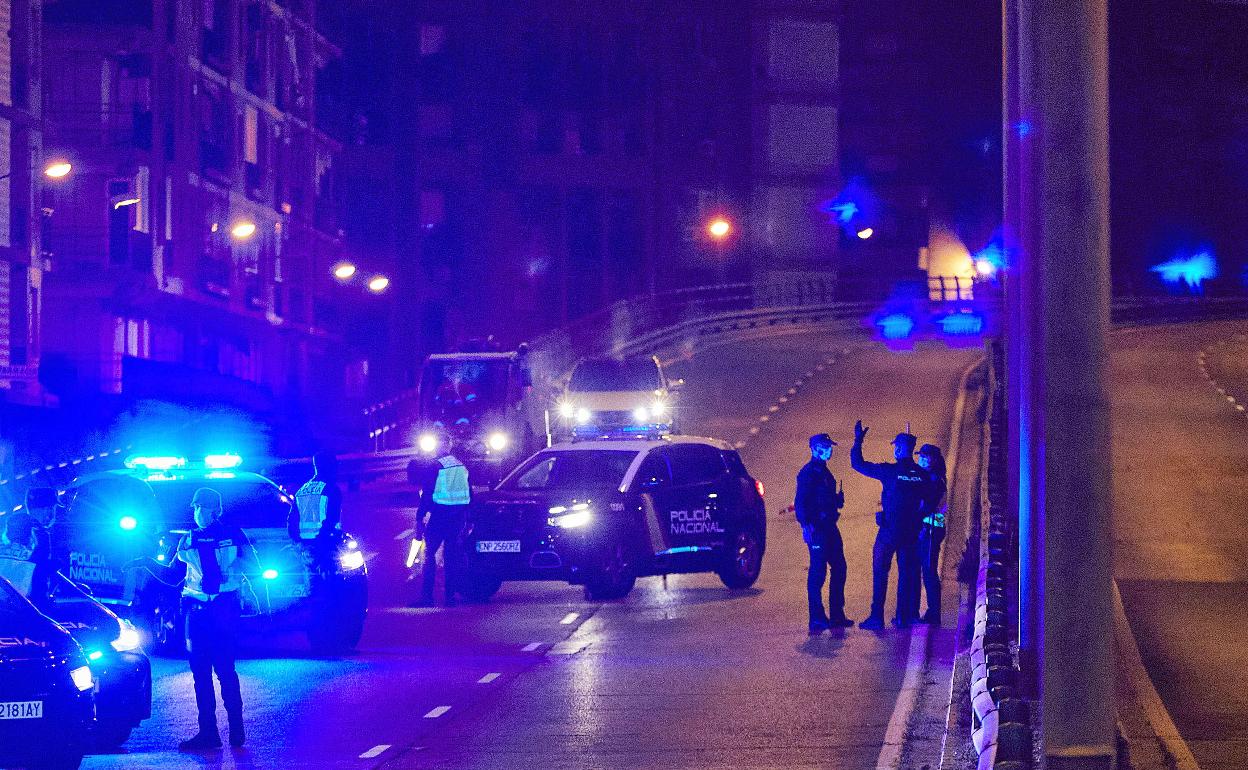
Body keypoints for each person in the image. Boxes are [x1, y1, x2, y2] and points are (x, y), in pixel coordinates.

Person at [128, 488, 259, 751]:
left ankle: (236, 730)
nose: (197, 513)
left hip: (221, 610)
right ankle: (209, 733)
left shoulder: (233, 535)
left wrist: (227, 571)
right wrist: (145, 563)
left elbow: (253, 567)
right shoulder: (188, 540)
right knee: (200, 673)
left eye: (201, 507)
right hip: (196, 613)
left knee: (224, 670)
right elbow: (174, 576)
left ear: (215, 510)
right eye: (195, 508)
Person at [851, 420, 933, 630]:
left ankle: (876, 617)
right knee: (906, 573)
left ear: (898, 449)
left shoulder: (889, 471)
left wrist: (858, 440)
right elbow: (930, 503)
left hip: (889, 533)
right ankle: (902, 617)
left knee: (880, 572)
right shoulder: (923, 476)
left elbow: (858, 464)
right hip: (911, 533)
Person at [796, 433, 852, 633]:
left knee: (840, 568)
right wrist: (805, 526)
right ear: (813, 448)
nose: (829, 450)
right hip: (818, 529)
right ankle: (816, 618)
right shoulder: (808, 473)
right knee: (818, 573)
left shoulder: (825, 472)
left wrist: (836, 501)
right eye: (824, 446)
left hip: (829, 526)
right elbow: (800, 502)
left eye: (829, 446)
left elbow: (823, 498)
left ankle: (837, 614)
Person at [410, 436, 471, 606]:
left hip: (440, 516)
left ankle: (427, 598)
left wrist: (420, 516)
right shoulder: (460, 465)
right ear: (450, 447)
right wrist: (469, 517)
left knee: (429, 555)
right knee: (451, 556)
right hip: (458, 517)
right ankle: (450, 597)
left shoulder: (434, 466)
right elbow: (469, 492)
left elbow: (428, 494)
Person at [0, 487, 60, 599]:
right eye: (54, 509)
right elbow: (40, 576)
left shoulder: (3, 531)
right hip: (22, 607)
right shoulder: (41, 535)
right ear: (48, 510)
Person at [288, 451, 344, 572]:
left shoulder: (302, 490)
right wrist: (321, 541)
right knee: (331, 585)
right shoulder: (332, 489)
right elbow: (332, 519)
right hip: (326, 547)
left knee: (312, 586)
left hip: (306, 548)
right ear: (330, 466)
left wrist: (298, 542)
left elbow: (292, 521)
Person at [916, 444, 949, 625]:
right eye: (920, 456)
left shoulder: (935, 480)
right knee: (925, 570)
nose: (920, 460)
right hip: (928, 529)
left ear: (933, 460)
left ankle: (934, 613)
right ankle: (931, 611)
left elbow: (928, 507)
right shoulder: (929, 477)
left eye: (924, 457)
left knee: (929, 571)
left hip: (931, 530)